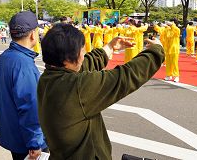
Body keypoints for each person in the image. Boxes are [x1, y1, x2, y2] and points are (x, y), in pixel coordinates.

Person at [37, 24, 164, 159]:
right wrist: (156, 51)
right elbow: (124, 77)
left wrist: (109, 48)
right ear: (67, 59)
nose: (84, 53)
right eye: (82, 50)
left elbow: (84, 65)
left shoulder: (48, 78)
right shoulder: (77, 88)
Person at [0, 11, 48, 160]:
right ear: (33, 35)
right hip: (27, 142)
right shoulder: (23, 64)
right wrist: (35, 143)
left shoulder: (5, 57)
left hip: (13, 137)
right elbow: (30, 106)